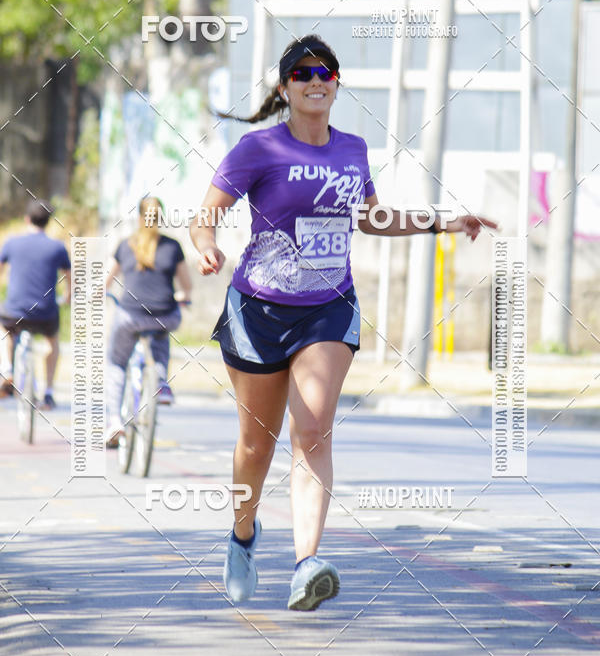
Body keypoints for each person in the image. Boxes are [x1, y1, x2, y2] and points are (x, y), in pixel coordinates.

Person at [190, 34, 497, 611]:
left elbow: (373, 218)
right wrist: (206, 247)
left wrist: (444, 221)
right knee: (256, 446)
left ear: (337, 84)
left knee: (313, 430)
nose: (314, 81)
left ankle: (307, 563)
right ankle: (243, 533)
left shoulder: (353, 149)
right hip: (257, 309)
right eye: (302, 73)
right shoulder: (258, 149)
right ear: (285, 88)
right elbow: (205, 214)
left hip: (329, 307)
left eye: (324, 72)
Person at [105, 196, 192, 446]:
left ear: (139, 218)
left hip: (130, 315)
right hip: (165, 315)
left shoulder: (125, 245)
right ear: (161, 218)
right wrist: (181, 297)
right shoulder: (173, 247)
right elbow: (187, 287)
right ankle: (162, 383)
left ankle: (113, 422)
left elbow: (106, 283)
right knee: (161, 334)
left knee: (117, 363)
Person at [0, 198, 71, 408]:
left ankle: (7, 369)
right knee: (52, 343)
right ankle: (48, 392)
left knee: (5, 329)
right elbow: (69, 277)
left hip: (15, 310)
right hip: (45, 313)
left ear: (26, 219)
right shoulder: (57, 247)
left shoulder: (12, 243)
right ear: (48, 221)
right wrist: (67, 297)